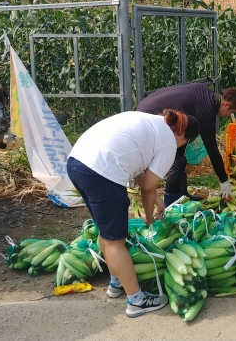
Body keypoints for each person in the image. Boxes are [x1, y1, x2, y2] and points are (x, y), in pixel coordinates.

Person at [66, 109, 200, 317]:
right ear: (185, 137)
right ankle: (137, 300)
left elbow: (139, 169)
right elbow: (147, 185)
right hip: (102, 172)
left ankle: (116, 281)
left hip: (78, 162)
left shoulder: (153, 123)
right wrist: (148, 216)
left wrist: (156, 200)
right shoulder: (169, 144)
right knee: (115, 241)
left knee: (107, 231)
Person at [136, 83, 236, 206]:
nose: (228, 116)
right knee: (177, 161)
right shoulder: (206, 112)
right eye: (231, 112)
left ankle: (182, 195)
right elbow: (212, 149)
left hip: (146, 106)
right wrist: (224, 181)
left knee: (181, 152)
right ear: (226, 104)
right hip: (149, 116)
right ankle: (171, 204)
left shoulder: (204, 92)